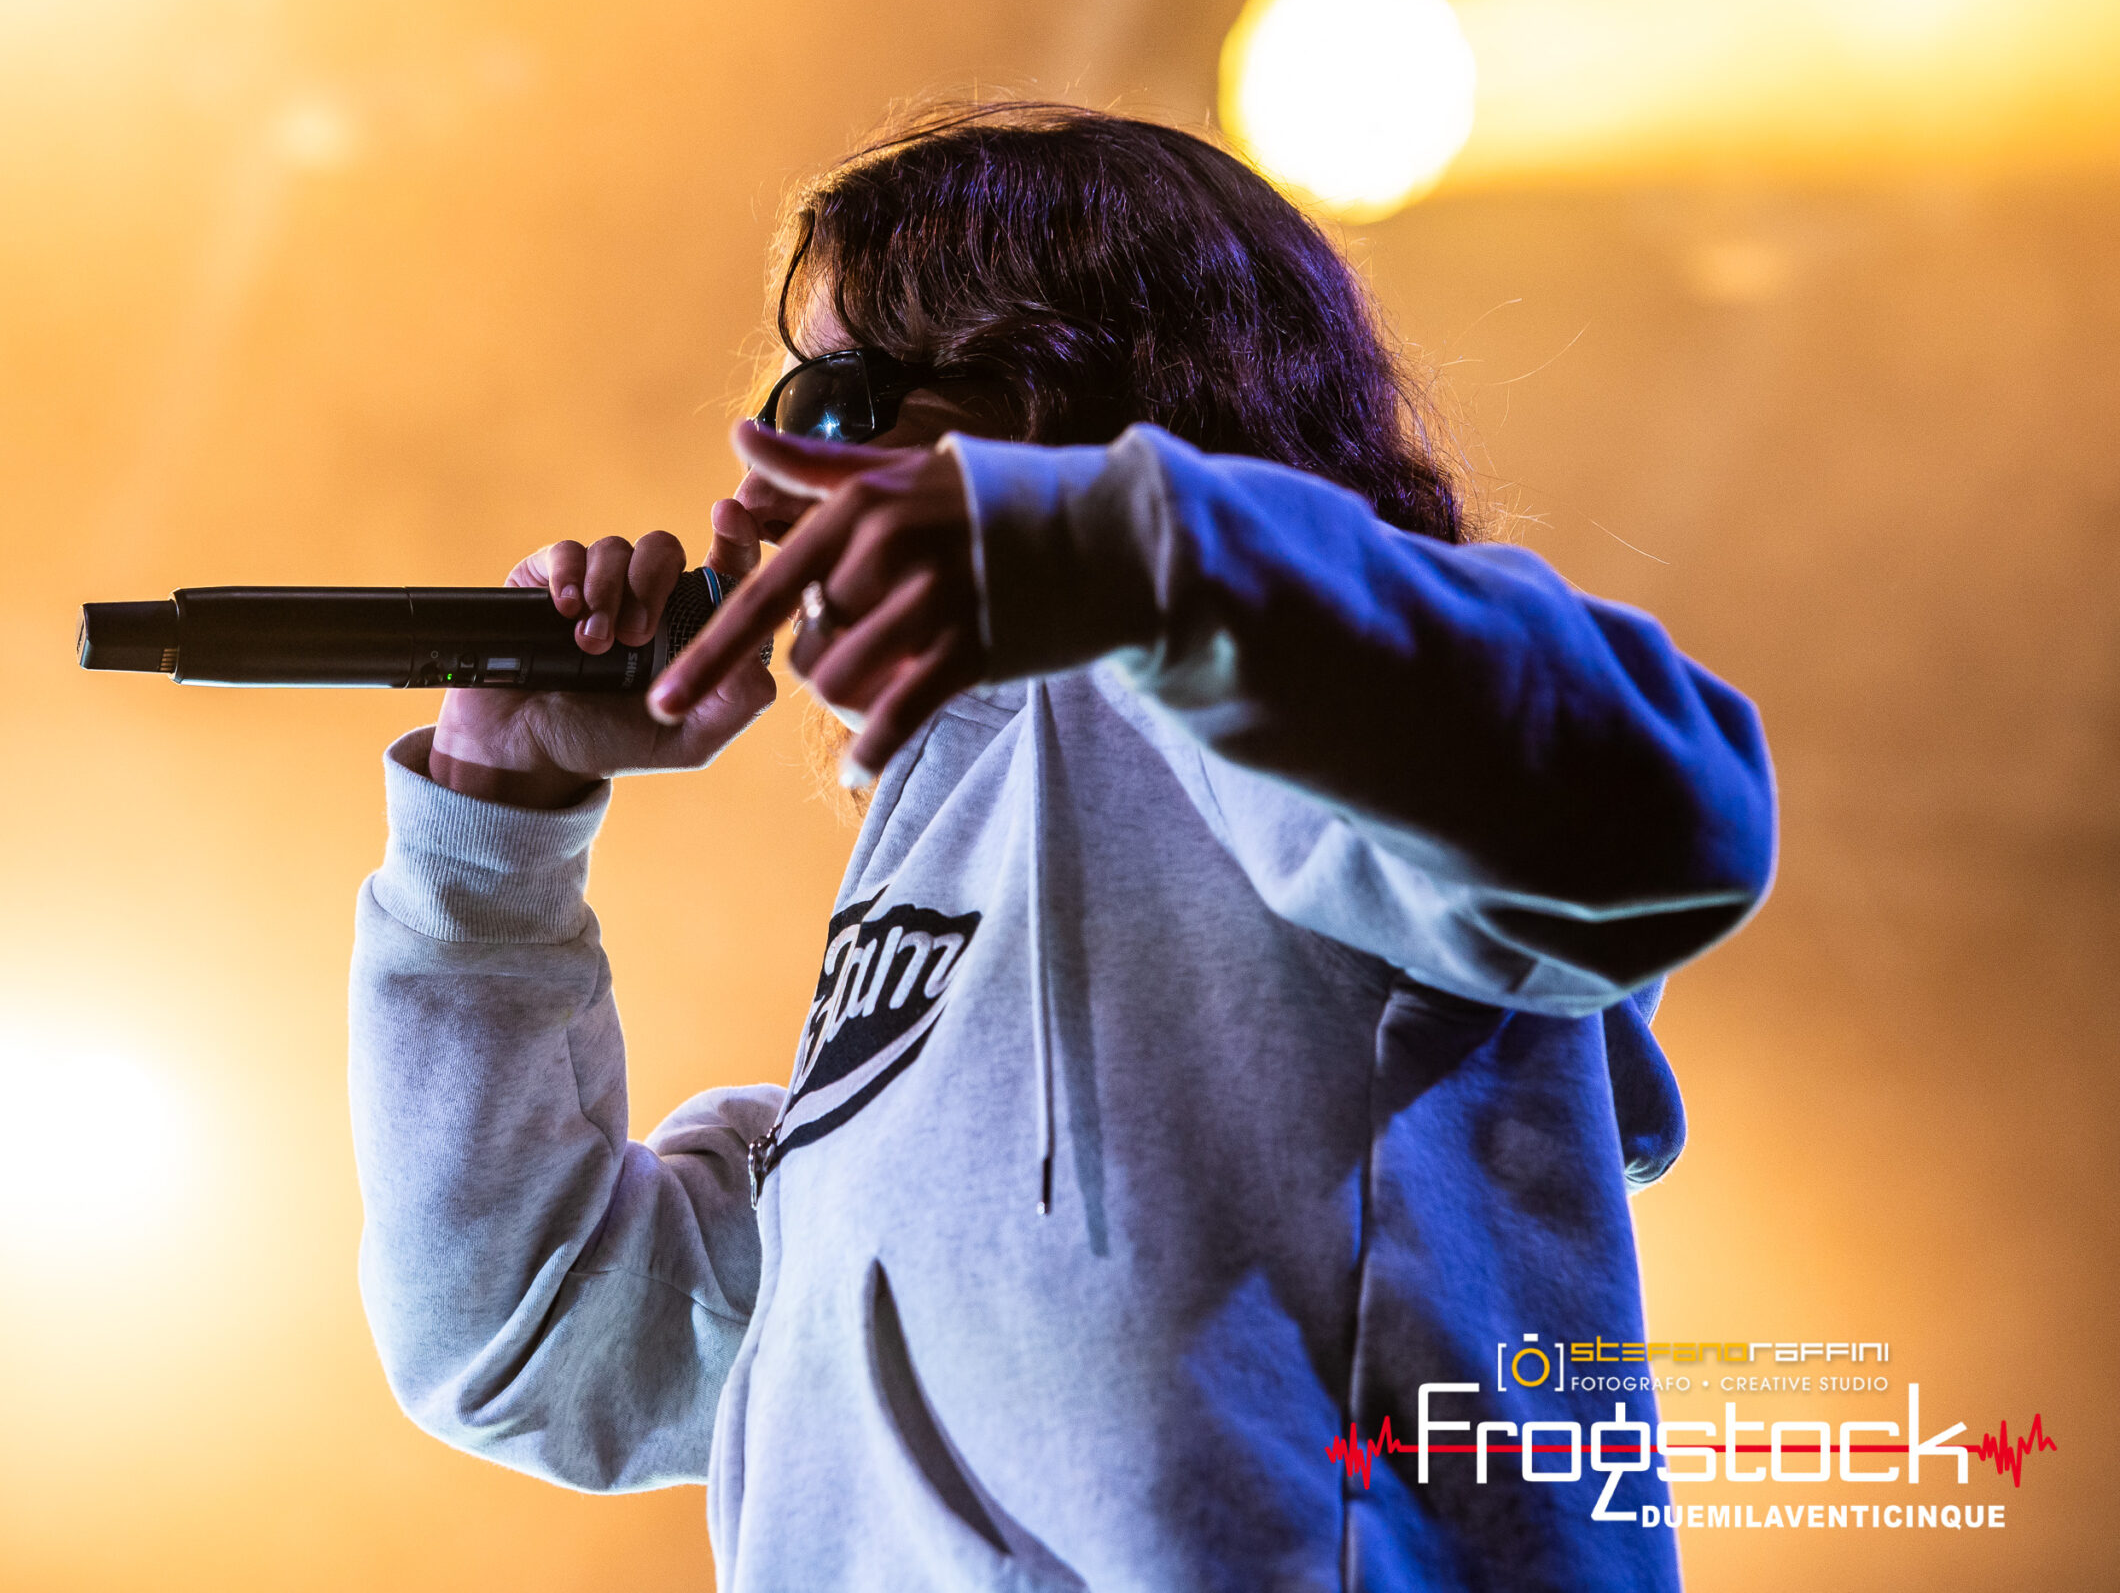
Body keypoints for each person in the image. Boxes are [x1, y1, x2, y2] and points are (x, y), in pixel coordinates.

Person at [347, 102, 1775, 1592]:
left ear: (1060, 397)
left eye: (832, 402)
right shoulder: (912, 979)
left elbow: (1670, 819)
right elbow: (532, 1339)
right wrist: (493, 834)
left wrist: (1135, 553)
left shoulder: (1316, 710)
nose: (765, 484)